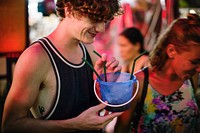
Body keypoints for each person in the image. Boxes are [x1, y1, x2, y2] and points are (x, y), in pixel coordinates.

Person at [2, 0, 124, 133]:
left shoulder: (88, 49)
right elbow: (10, 125)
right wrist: (75, 124)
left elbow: (96, 107)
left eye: (104, 20)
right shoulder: (36, 57)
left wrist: (102, 84)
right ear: (69, 9)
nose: (101, 28)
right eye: (95, 18)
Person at [115, 13, 200, 133]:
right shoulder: (137, 84)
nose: (199, 68)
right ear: (171, 51)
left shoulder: (191, 78)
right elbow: (121, 129)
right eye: (194, 62)